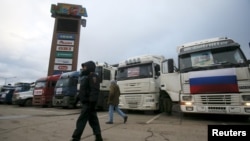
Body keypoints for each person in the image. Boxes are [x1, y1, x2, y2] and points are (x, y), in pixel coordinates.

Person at [71, 61, 103, 141]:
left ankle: (76, 138)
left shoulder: (93, 76)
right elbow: (83, 91)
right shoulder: (86, 77)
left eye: (84, 67)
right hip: (87, 103)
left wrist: (92, 103)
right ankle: (98, 137)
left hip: (89, 103)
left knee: (81, 120)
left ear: (89, 67)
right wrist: (76, 101)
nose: (83, 69)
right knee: (93, 121)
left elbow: (94, 90)